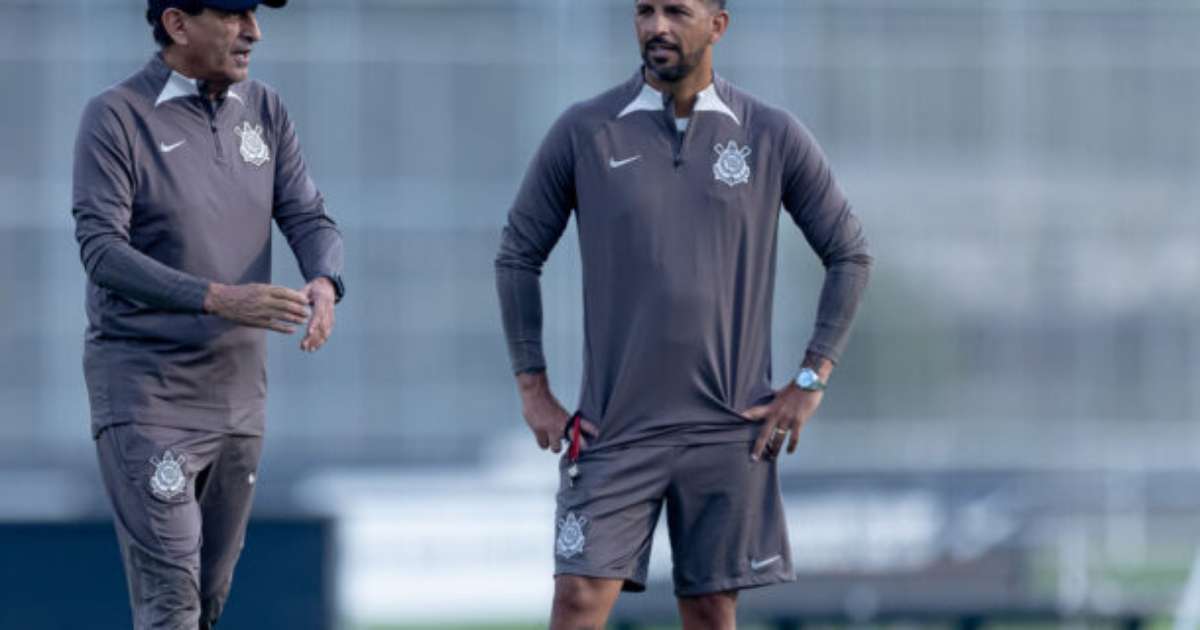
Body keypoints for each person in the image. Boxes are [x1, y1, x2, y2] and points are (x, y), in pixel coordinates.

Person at [495, 0, 872, 627]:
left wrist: (810, 381)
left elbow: (850, 255)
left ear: (717, 26)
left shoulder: (769, 133)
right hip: (616, 429)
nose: (656, 26)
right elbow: (517, 256)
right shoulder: (585, 130)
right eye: (644, 11)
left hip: (729, 428)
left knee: (707, 610)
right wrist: (532, 387)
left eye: (676, 10)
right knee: (578, 599)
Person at [71, 0, 344, 627]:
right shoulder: (116, 117)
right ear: (176, 24)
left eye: (253, 15)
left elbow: (307, 213)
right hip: (148, 397)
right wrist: (219, 297)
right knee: (172, 601)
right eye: (233, 14)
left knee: (207, 600)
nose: (254, 32)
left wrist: (324, 279)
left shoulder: (266, 109)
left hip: (238, 398)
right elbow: (102, 252)